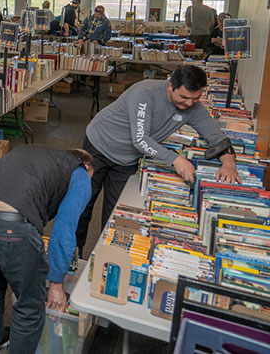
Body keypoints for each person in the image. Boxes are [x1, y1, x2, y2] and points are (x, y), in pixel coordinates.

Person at [75, 65, 240, 254]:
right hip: (99, 144)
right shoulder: (144, 93)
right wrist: (176, 160)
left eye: (195, 98)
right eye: (184, 97)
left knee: (116, 211)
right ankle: (73, 255)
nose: (189, 103)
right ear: (170, 86)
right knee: (83, 203)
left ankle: (104, 257)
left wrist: (228, 163)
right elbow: (140, 140)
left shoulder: (193, 106)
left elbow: (217, 138)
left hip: (127, 159)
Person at [0, 146, 94, 354]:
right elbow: (64, 230)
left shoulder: (32, 154)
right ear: (86, 166)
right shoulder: (80, 173)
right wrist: (56, 284)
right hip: (10, 227)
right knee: (30, 304)